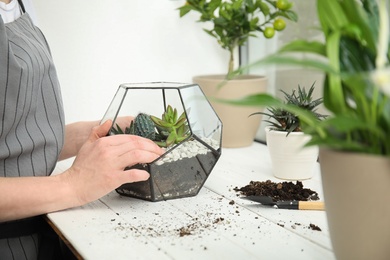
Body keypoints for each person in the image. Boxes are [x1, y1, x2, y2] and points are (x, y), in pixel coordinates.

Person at [0, 0, 164, 259]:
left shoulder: (21, 5)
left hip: (41, 231)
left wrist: (92, 133)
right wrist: (73, 185)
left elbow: (15, 139)